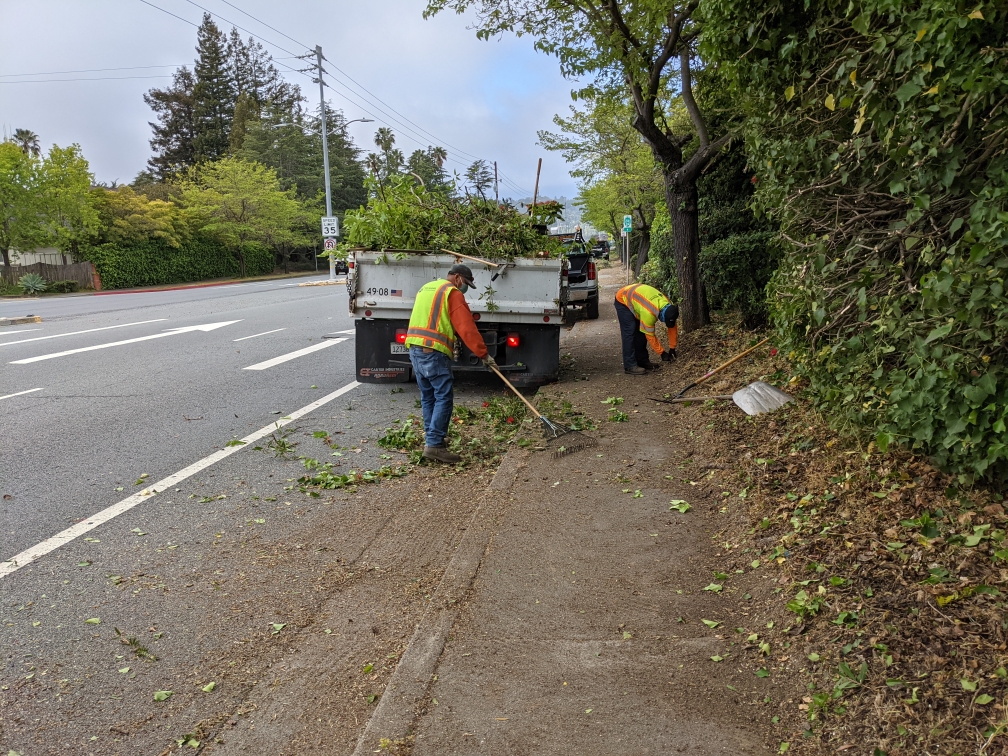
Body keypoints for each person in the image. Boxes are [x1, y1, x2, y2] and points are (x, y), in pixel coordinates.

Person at [406, 263, 495, 464]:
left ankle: (432, 439)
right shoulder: (452, 293)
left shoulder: (427, 288)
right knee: (443, 397)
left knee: (428, 396)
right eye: (465, 283)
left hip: (415, 347)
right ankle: (435, 445)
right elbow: (467, 328)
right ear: (457, 278)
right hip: (432, 351)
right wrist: (484, 355)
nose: (464, 288)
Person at [614, 283, 679, 375]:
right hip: (623, 299)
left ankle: (642, 361)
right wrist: (662, 353)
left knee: (641, 330)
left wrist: (672, 348)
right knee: (630, 331)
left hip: (637, 296)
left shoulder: (669, 307)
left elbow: (672, 327)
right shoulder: (649, 313)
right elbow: (650, 335)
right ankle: (629, 365)